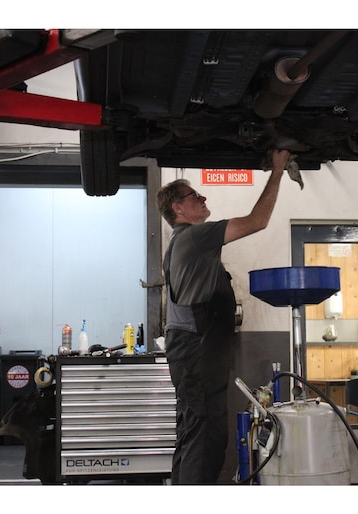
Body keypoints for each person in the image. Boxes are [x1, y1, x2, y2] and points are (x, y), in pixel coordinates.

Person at [156, 149, 291, 484]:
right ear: (178, 208)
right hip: (198, 354)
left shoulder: (182, 245)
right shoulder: (195, 237)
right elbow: (258, 221)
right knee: (205, 441)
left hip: (193, 354)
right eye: (194, 196)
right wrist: (277, 171)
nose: (202, 198)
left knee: (194, 434)